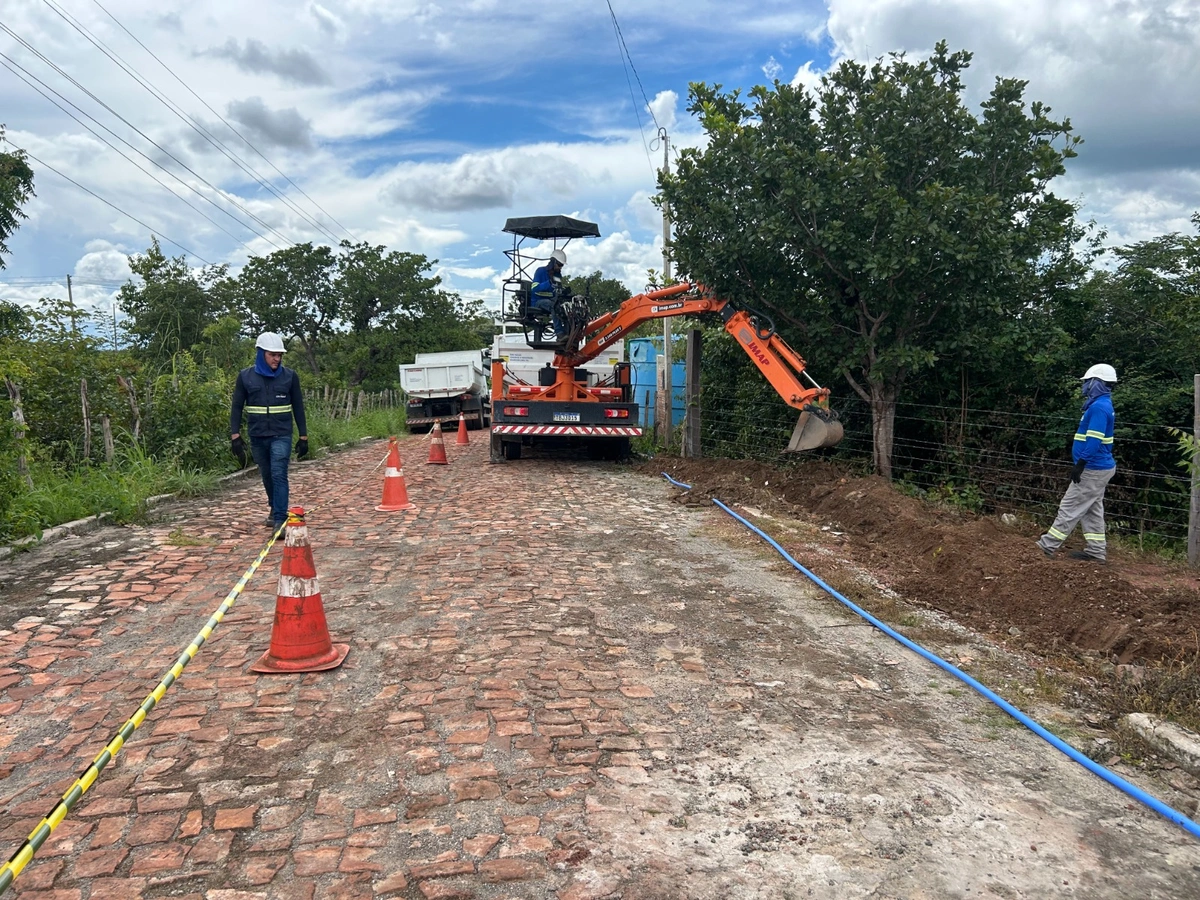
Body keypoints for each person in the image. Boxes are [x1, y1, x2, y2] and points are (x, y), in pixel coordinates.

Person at [1038, 363, 1118, 563]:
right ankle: (1096, 551)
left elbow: (1094, 439)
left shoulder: (1099, 407)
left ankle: (1046, 547)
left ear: (1096, 383)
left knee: (1070, 506)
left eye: (1087, 382)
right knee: (1092, 509)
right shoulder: (1102, 404)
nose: (1084, 385)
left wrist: (1081, 463)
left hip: (1092, 468)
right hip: (1098, 468)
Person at [230, 332, 309, 529]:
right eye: (272, 355)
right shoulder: (245, 377)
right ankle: (274, 507)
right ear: (261, 354)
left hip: (281, 434)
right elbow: (237, 407)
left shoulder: (290, 377)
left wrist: (303, 436)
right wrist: (235, 436)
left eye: (279, 355)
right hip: (257, 435)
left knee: (278, 473)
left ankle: (280, 519)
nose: (277, 359)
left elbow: (298, 407)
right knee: (266, 474)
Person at [529, 248, 567, 338]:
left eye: (562, 265)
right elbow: (534, 288)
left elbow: (556, 290)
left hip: (551, 300)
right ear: (553, 262)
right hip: (537, 302)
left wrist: (562, 291)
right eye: (559, 264)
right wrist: (549, 283)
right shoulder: (540, 271)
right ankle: (559, 333)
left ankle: (568, 332)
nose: (560, 267)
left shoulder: (557, 275)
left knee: (566, 307)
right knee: (554, 306)